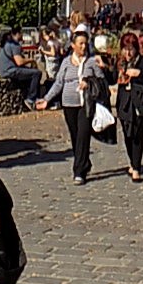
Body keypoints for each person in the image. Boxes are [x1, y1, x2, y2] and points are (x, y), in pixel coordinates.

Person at [37, 29, 105, 185]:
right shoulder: (66, 62)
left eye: (85, 43)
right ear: (73, 45)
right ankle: (84, 162)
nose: (83, 46)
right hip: (69, 104)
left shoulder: (91, 62)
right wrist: (47, 99)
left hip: (85, 104)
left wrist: (90, 82)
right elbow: (59, 82)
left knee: (83, 135)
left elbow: (102, 82)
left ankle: (79, 171)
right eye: (80, 43)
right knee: (75, 137)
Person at [114, 31, 143, 182]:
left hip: (139, 103)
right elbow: (112, 78)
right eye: (125, 49)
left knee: (138, 134)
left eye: (131, 49)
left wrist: (139, 74)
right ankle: (132, 161)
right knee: (127, 134)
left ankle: (136, 167)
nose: (128, 53)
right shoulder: (119, 62)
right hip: (124, 103)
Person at [0, 30, 42, 108]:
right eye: (21, 33)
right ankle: (31, 99)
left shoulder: (6, 44)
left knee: (29, 72)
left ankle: (26, 95)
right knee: (36, 73)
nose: (22, 35)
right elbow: (19, 62)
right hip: (10, 71)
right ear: (17, 34)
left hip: (4, 70)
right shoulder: (14, 45)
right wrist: (32, 60)